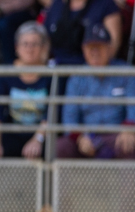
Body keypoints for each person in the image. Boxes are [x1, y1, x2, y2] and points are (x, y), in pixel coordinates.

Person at [57, 24, 135, 159]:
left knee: (130, 144)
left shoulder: (125, 72)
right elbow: (69, 117)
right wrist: (80, 138)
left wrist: (128, 130)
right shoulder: (76, 77)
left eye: (99, 46)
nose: (94, 52)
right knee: (61, 147)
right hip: (87, 136)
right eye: (90, 47)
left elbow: (132, 107)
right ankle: (63, 182)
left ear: (110, 48)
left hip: (116, 135)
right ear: (83, 50)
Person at [0, 21, 50, 159]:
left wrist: (38, 139)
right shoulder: (5, 73)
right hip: (12, 132)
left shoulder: (52, 75)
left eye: (35, 44)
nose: (29, 49)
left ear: (43, 47)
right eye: (25, 44)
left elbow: (51, 114)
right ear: (16, 47)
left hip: (42, 134)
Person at [43, 0, 121, 64]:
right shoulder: (57, 5)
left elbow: (114, 44)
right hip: (57, 67)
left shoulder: (106, 5)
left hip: (90, 69)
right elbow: (45, 40)